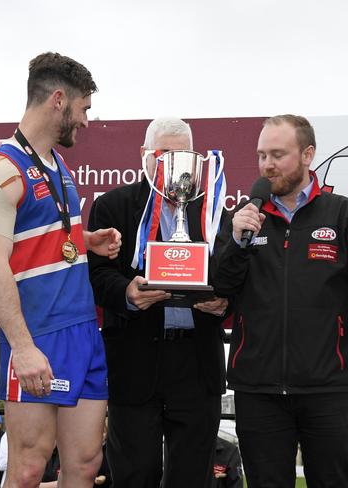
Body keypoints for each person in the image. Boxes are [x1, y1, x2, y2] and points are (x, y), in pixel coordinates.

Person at [212, 114, 348, 488]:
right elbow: (220, 290)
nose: (267, 164)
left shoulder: (345, 215)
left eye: (278, 154)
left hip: (329, 388)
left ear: (308, 154)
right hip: (257, 389)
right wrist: (236, 241)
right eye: (262, 154)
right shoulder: (241, 219)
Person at [0, 52, 121, 488]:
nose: (87, 121)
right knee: (28, 467)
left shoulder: (58, 165)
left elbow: (42, 240)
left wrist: (85, 241)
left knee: (85, 464)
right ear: (58, 99)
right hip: (37, 336)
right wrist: (22, 347)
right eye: (84, 108)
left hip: (82, 331)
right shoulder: (1, 170)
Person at [87, 117, 228, 487]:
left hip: (197, 366)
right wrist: (126, 294)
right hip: (134, 361)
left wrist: (227, 301)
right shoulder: (112, 206)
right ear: (144, 156)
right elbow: (98, 276)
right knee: (134, 475)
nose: (172, 164)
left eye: (182, 156)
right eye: (164, 154)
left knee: (192, 478)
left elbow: (236, 277)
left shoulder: (214, 213)